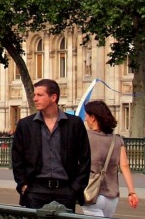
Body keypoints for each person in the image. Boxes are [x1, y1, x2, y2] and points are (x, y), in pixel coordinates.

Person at [78, 100, 139, 219]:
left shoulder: (85, 137)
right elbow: (125, 167)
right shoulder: (117, 140)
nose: (85, 119)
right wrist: (132, 191)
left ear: (94, 117)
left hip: (92, 195)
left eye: (87, 115)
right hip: (112, 196)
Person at [12, 78, 91, 211]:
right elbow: (17, 157)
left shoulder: (74, 124)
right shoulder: (26, 125)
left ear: (53, 97)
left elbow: (85, 158)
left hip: (66, 190)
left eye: (40, 95)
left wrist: (76, 188)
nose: (35, 99)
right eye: (34, 95)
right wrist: (23, 186)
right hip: (36, 190)